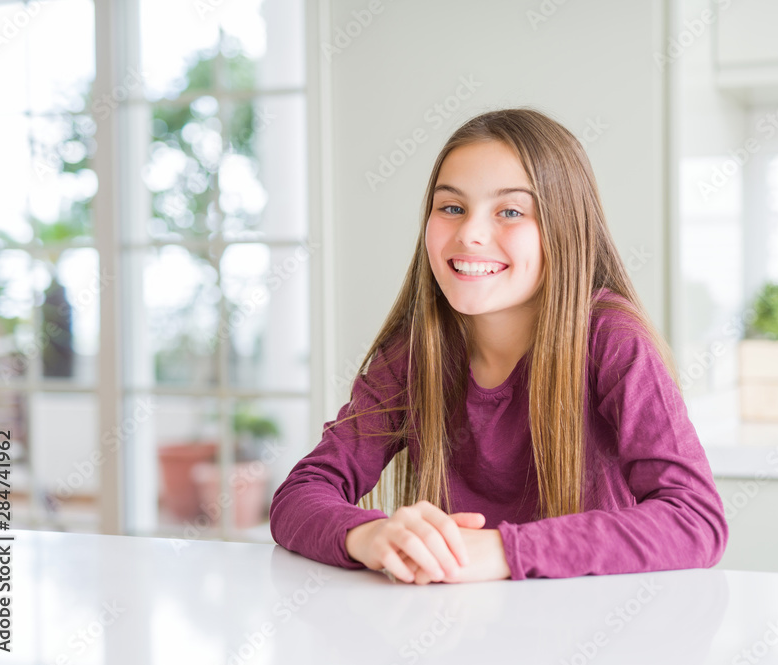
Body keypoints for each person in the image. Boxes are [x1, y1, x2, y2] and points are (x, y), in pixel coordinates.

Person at [270, 107, 728, 584]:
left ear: (564, 229)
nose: (470, 232)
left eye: (510, 211)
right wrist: (369, 535)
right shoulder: (415, 350)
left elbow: (695, 521)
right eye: (451, 208)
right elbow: (300, 495)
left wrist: (500, 550)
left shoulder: (612, 340)